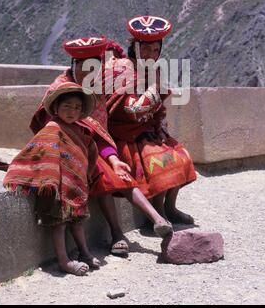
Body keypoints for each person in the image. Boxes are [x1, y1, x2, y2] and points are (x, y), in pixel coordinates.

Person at [30, 37, 173, 256]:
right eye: (84, 67)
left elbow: (100, 134)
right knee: (104, 176)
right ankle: (118, 232)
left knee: (117, 171)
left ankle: (157, 219)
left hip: (90, 150)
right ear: (74, 65)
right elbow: (45, 129)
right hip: (61, 152)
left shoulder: (96, 93)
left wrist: (115, 159)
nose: (88, 74)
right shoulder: (59, 89)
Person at [105, 15, 197, 224]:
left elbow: (157, 109)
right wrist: (156, 89)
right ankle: (157, 213)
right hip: (126, 135)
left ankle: (170, 207)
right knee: (160, 161)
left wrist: (160, 129)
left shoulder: (151, 70)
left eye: (156, 50)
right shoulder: (121, 69)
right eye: (146, 49)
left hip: (147, 130)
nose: (151, 54)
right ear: (135, 47)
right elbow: (132, 110)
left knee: (181, 154)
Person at [3, 82, 100, 276]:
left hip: (75, 187)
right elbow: (40, 150)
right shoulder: (52, 128)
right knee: (59, 224)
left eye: (77, 107)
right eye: (67, 106)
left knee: (78, 222)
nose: (72, 111)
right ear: (56, 107)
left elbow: (89, 153)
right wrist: (48, 179)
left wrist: (85, 174)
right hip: (56, 188)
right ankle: (64, 260)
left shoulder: (81, 131)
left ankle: (85, 253)